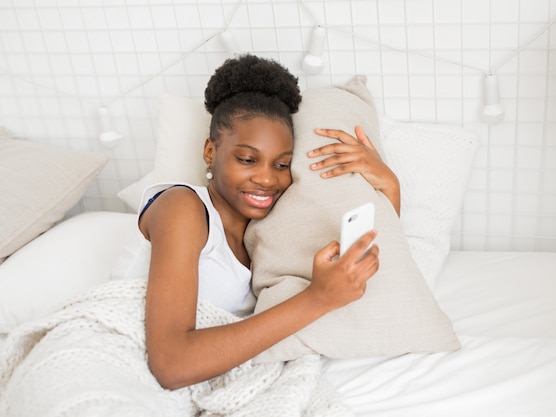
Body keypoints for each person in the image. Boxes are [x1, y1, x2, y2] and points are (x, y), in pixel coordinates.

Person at [116, 54, 400, 390]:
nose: (267, 179)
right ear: (210, 152)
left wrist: (388, 182)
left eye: (281, 165)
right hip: (121, 362)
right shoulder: (183, 207)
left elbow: (374, 258)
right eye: (248, 159)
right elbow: (171, 365)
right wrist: (316, 298)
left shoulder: (266, 231)